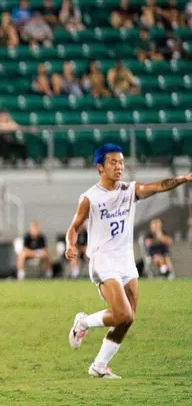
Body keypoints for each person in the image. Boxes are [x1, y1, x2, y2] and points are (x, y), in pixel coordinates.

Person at [66, 144, 192, 378]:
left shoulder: (129, 190)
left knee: (127, 319)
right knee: (123, 315)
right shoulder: (89, 198)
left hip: (125, 259)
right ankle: (83, 322)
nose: (119, 166)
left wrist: (183, 178)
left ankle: (99, 366)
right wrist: (71, 244)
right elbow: (73, 227)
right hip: (103, 260)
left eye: (122, 162)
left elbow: (155, 187)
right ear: (100, 167)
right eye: (113, 162)